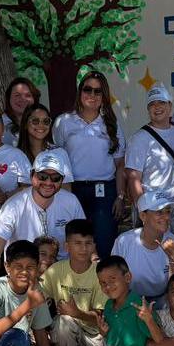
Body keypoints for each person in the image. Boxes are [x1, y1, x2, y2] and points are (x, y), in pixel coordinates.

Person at [0, 151, 85, 284]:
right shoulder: (14, 205)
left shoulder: (71, 201)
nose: (48, 182)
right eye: (42, 176)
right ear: (31, 176)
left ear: (62, 180)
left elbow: (85, 246)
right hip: (23, 277)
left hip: (62, 278)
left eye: (55, 178)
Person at [53, 71, 127, 258]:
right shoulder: (64, 121)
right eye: (88, 90)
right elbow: (57, 159)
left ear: (104, 96)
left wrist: (120, 196)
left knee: (103, 245)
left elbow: (120, 165)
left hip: (105, 192)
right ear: (80, 92)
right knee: (74, 245)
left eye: (98, 91)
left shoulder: (112, 124)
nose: (92, 95)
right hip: (72, 190)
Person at [43, 219, 108, 346]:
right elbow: (38, 296)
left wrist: (76, 312)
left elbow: (100, 316)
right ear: (67, 246)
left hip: (95, 334)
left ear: (94, 245)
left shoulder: (101, 272)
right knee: (62, 322)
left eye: (88, 243)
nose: (83, 248)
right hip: (69, 332)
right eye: (77, 243)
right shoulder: (56, 271)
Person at [111, 192, 174, 303]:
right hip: (129, 300)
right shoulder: (123, 242)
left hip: (165, 301)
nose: (166, 217)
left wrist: (173, 259)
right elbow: (113, 279)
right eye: (159, 212)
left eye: (168, 211)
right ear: (143, 216)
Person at [124, 86, 174, 207]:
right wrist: (143, 210)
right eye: (152, 104)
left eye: (161, 102)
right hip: (152, 207)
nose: (157, 107)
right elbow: (133, 179)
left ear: (170, 105)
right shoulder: (138, 139)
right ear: (148, 109)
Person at [14, 102, 73, 189]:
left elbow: (66, 190)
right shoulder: (16, 154)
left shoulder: (59, 153)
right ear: (25, 124)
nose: (41, 125)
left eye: (46, 121)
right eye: (35, 121)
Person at [2, 78, 41, 146]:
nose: (23, 99)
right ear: (8, 98)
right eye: (17, 95)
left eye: (28, 95)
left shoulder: (43, 122)